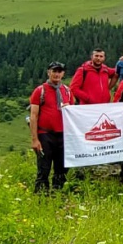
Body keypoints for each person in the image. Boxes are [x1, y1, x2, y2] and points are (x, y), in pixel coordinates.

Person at [28, 62, 74, 193]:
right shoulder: (39, 91)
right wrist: (34, 139)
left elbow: (73, 114)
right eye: (54, 71)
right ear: (49, 72)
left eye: (59, 71)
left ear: (63, 74)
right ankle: (41, 198)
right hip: (45, 135)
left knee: (62, 169)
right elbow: (33, 116)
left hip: (63, 135)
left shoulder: (67, 91)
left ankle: (57, 195)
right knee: (44, 168)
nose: (57, 74)